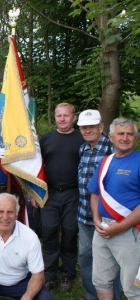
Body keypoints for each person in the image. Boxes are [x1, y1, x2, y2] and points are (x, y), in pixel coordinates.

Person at [88, 118, 140, 299]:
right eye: (121, 133)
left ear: (135, 137)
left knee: (133, 287)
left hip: (129, 232)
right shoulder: (105, 162)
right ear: (111, 137)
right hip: (102, 229)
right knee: (101, 280)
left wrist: (120, 227)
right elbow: (95, 194)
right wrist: (96, 219)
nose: (125, 138)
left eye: (130, 134)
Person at [36, 103, 84, 292]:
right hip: (50, 194)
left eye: (66, 115)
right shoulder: (46, 138)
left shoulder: (82, 138)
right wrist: (35, 192)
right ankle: (49, 274)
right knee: (49, 233)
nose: (62, 119)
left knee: (70, 234)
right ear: (55, 117)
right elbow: (37, 167)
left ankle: (67, 273)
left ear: (74, 117)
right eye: (58, 116)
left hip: (73, 194)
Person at [76, 109, 121, 300]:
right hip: (84, 215)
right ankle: (91, 296)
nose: (87, 130)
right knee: (86, 257)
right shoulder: (83, 149)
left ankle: (113, 296)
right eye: (84, 127)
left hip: (106, 217)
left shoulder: (112, 150)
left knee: (110, 261)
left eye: (92, 127)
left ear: (101, 127)